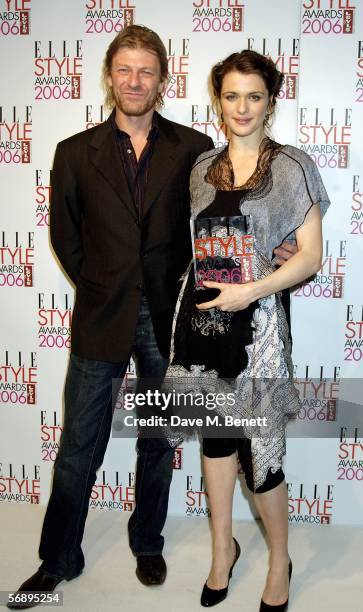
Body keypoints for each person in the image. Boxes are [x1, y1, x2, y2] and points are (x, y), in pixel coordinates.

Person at [7, 25, 214, 609]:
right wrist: (103, 286)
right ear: (109, 75)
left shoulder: (194, 149)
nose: (134, 81)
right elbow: (65, 238)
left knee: (157, 438)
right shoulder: (74, 152)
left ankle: (147, 539)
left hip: (167, 319)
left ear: (162, 80)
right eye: (125, 70)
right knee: (79, 443)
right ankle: (58, 558)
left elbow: (209, 229)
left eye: (146, 71)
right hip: (101, 314)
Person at [164, 50, 330, 611]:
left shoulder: (292, 166)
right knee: (215, 444)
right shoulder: (198, 169)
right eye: (231, 95)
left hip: (257, 324)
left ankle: (278, 560)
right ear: (218, 100)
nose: (242, 107)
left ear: (271, 101)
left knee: (262, 457)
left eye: (254, 96)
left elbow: (309, 258)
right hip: (203, 323)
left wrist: (251, 291)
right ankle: (221, 552)